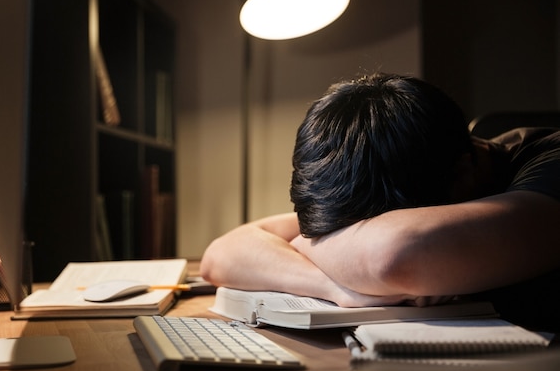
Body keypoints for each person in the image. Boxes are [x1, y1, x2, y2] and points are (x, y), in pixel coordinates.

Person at [200, 72, 560, 331]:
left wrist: (300, 245)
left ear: (464, 173)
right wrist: (335, 286)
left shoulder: (551, 165)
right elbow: (221, 255)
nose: (342, 241)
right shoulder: (424, 166)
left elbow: (392, 255)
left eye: (359, 230)